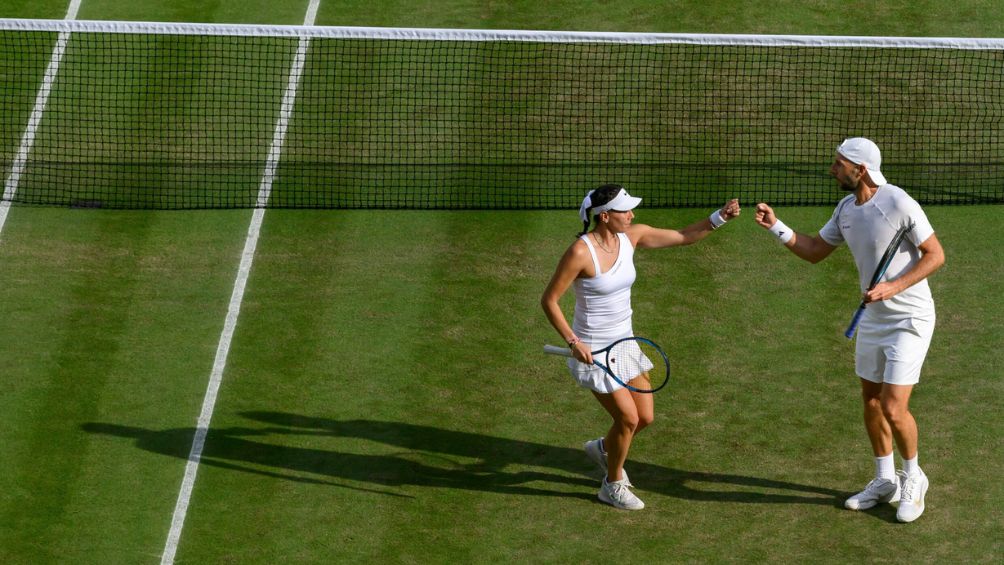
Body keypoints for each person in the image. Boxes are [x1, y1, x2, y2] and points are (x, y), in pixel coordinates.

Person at [754, 137, 944, 523]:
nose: (832, 170)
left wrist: (892, 286)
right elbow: (814, 251)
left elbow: (935, 255)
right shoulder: (845, 209)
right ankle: (884, 479)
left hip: (910, 319)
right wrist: (777, 227)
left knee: (894, 406)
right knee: (871, 400)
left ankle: (914, 477)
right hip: (873, 319)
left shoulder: (898, 202)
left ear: (861, 168)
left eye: (839, 164)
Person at [541, 184, 740, 510]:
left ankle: (604, 449)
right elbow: (549, 300)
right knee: (629, 419)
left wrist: (721, 217)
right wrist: (574, 342)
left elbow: (682, 235)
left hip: (626, 343)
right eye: (625, 210)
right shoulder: (580, 252)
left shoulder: (632, 236)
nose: (632, 215)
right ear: (605, 217)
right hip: (596, 352)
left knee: (645, 417)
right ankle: (612, 482)